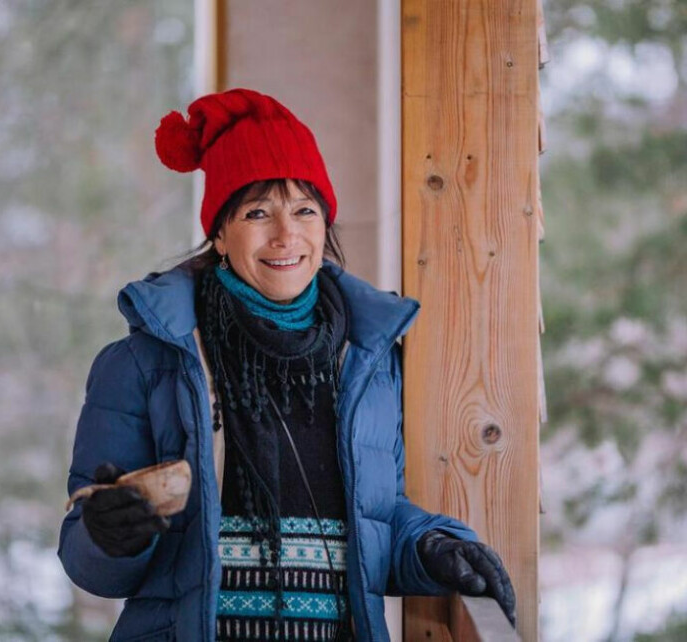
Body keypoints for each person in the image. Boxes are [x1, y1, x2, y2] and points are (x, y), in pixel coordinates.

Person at [57, 88, 516, 642]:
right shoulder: (143, 363)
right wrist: (109, 534)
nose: (286, 234)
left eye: (304, 209)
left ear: (325, 226)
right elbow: (88, 562)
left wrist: (434, 546)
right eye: (257, 212)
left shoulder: (369, 363)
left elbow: (376, 525)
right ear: (221, 234)